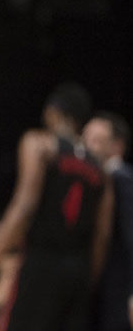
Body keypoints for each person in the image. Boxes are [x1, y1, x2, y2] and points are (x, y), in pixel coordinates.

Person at [0, 83, 113, 331]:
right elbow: (102, 235)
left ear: (52, 111)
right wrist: (88, 281)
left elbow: (24, 207)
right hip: (78, 271)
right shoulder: (100, 169)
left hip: (40, 263)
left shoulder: (40, 144)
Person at [83, 111, 133, 331]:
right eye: (85, 139)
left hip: (117, 296)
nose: (87, 148)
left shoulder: (121, 180)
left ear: (117, 147)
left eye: (96, 141)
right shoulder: (97, 180)